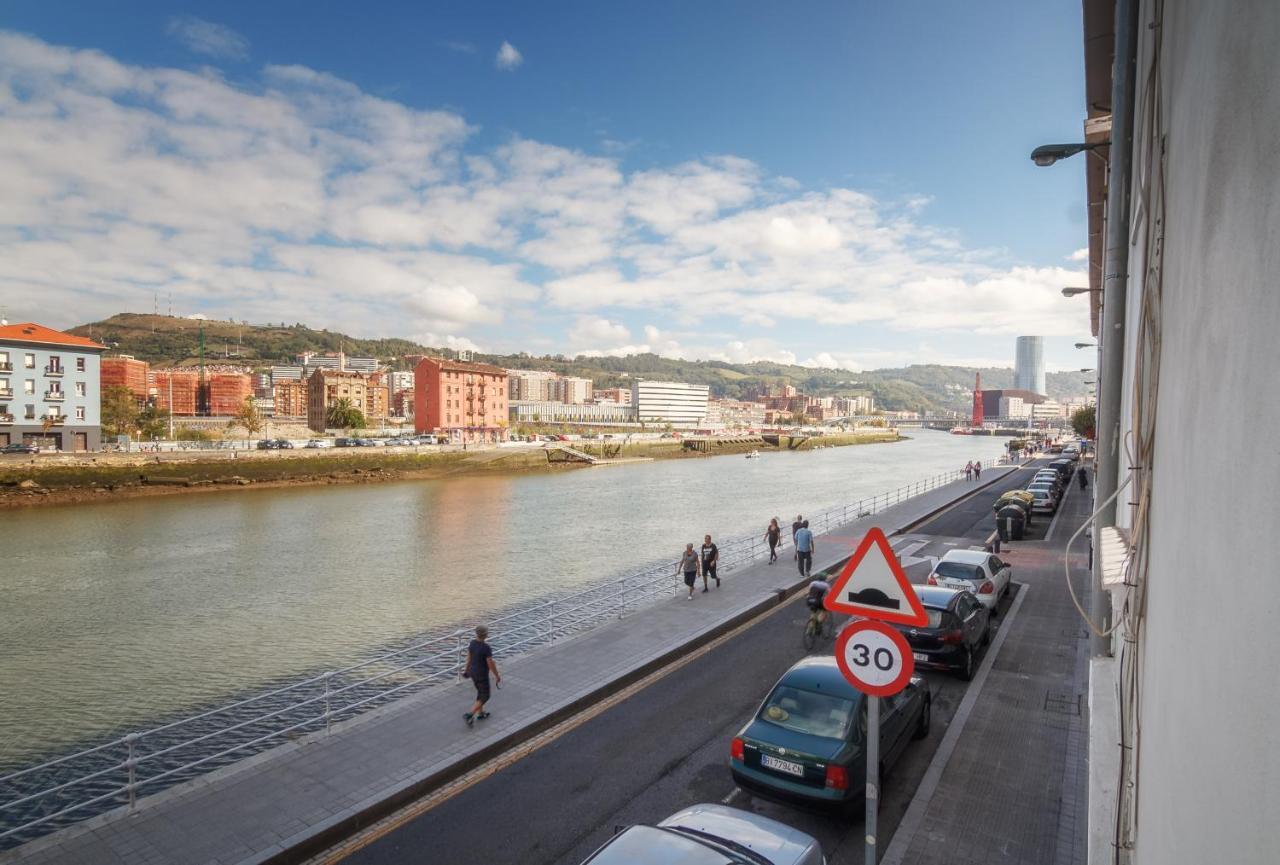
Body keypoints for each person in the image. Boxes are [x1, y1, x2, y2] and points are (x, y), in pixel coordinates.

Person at [463, 625, 500, 727]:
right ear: (486, 634)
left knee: (480, 692)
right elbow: (490, 663)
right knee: (486, 695)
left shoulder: (472, 643)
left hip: (473, 673)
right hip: (482, 674)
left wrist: (466, 671)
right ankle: (470, 715)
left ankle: (481, 713)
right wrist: (497, 675)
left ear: (477, 634)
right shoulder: (486, 648)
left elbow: (469, 659)